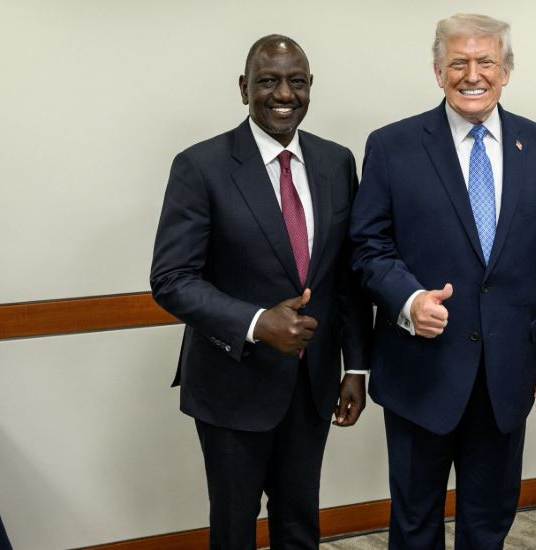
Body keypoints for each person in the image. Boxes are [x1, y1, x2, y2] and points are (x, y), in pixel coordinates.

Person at [349, 13, 536, 549]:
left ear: (506, 71)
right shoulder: (393, 146)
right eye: (458, 63)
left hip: (506, 374)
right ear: (438, 71)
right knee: (414, 524)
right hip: (420, 371)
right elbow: (366, 246)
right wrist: (408, 299)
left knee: (489, 523)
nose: (472, 75)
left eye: (486, 62)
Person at [150, 35, 372, 549]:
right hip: (233, 384)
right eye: (268, 81)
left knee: (299, 525)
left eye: (297, 81)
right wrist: (257, 323)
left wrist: (356, 367)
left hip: (312, 386)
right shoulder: (200, 166)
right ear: (243, 87)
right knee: (235, 531)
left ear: (311, 86)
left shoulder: (337, 162)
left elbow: (347, 277)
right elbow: (171, 278)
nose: (284, 94)